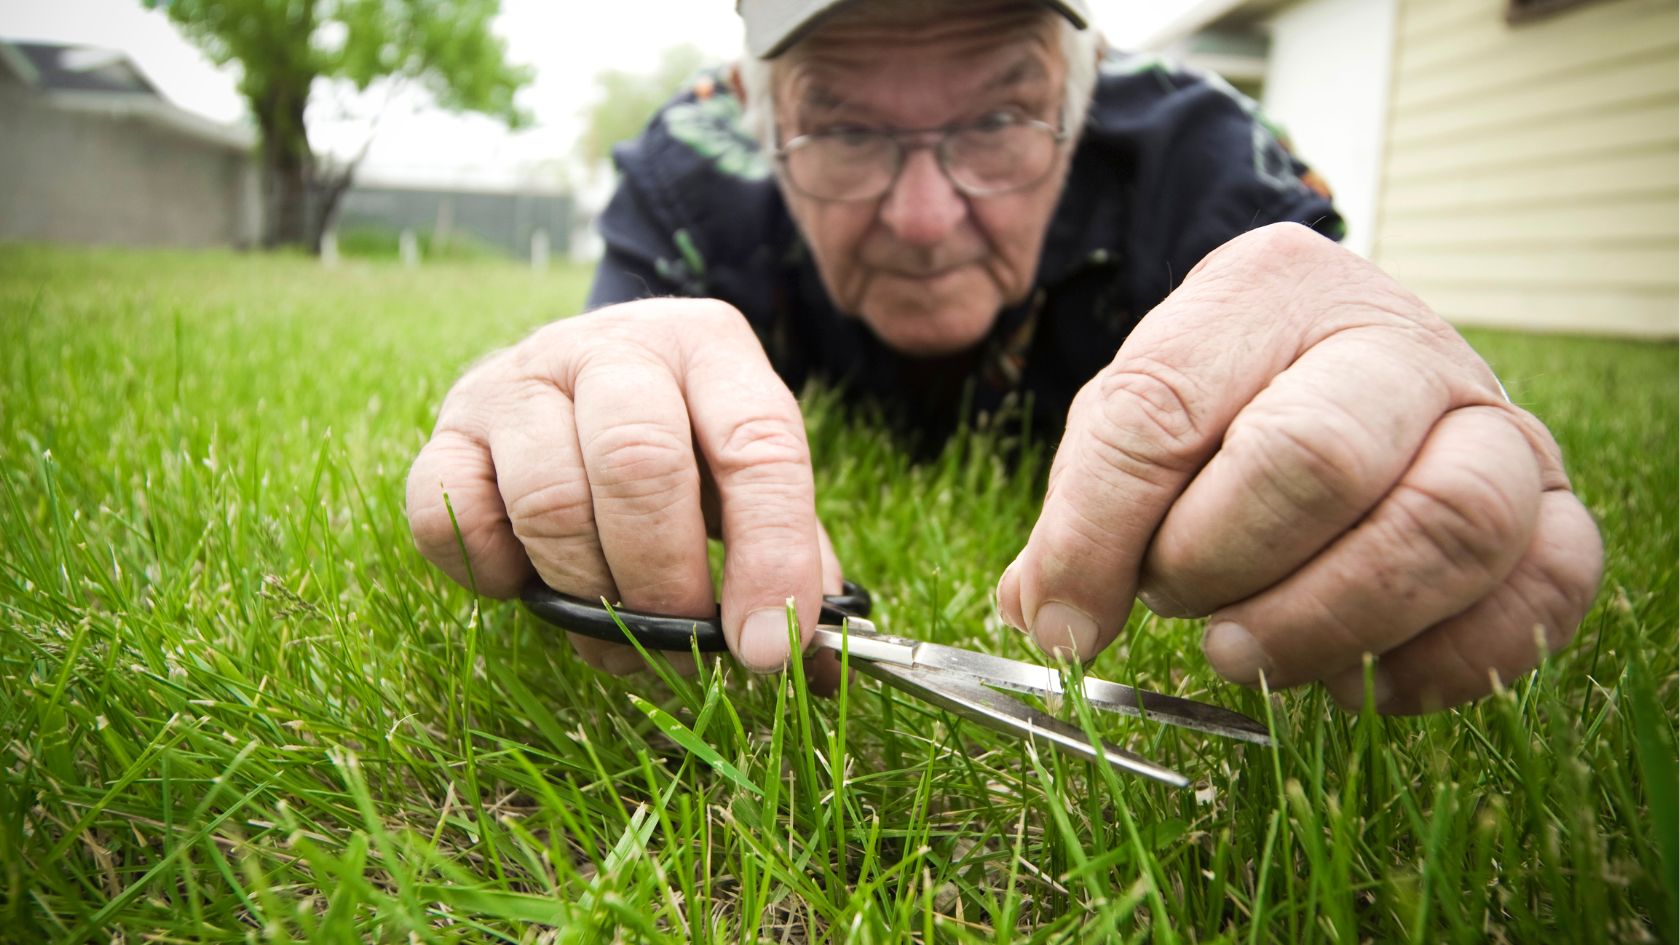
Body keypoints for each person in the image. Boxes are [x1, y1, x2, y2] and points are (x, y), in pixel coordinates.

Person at [406, 0, 1603, 714]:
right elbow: (594, 373)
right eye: (845, 125)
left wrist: (1402, 410)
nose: (925, 218)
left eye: (997, 117)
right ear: (760, 117)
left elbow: (1336, 340)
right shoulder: (687, 173)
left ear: (1082, 101)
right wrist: (569, 410)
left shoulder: (1208, 163)